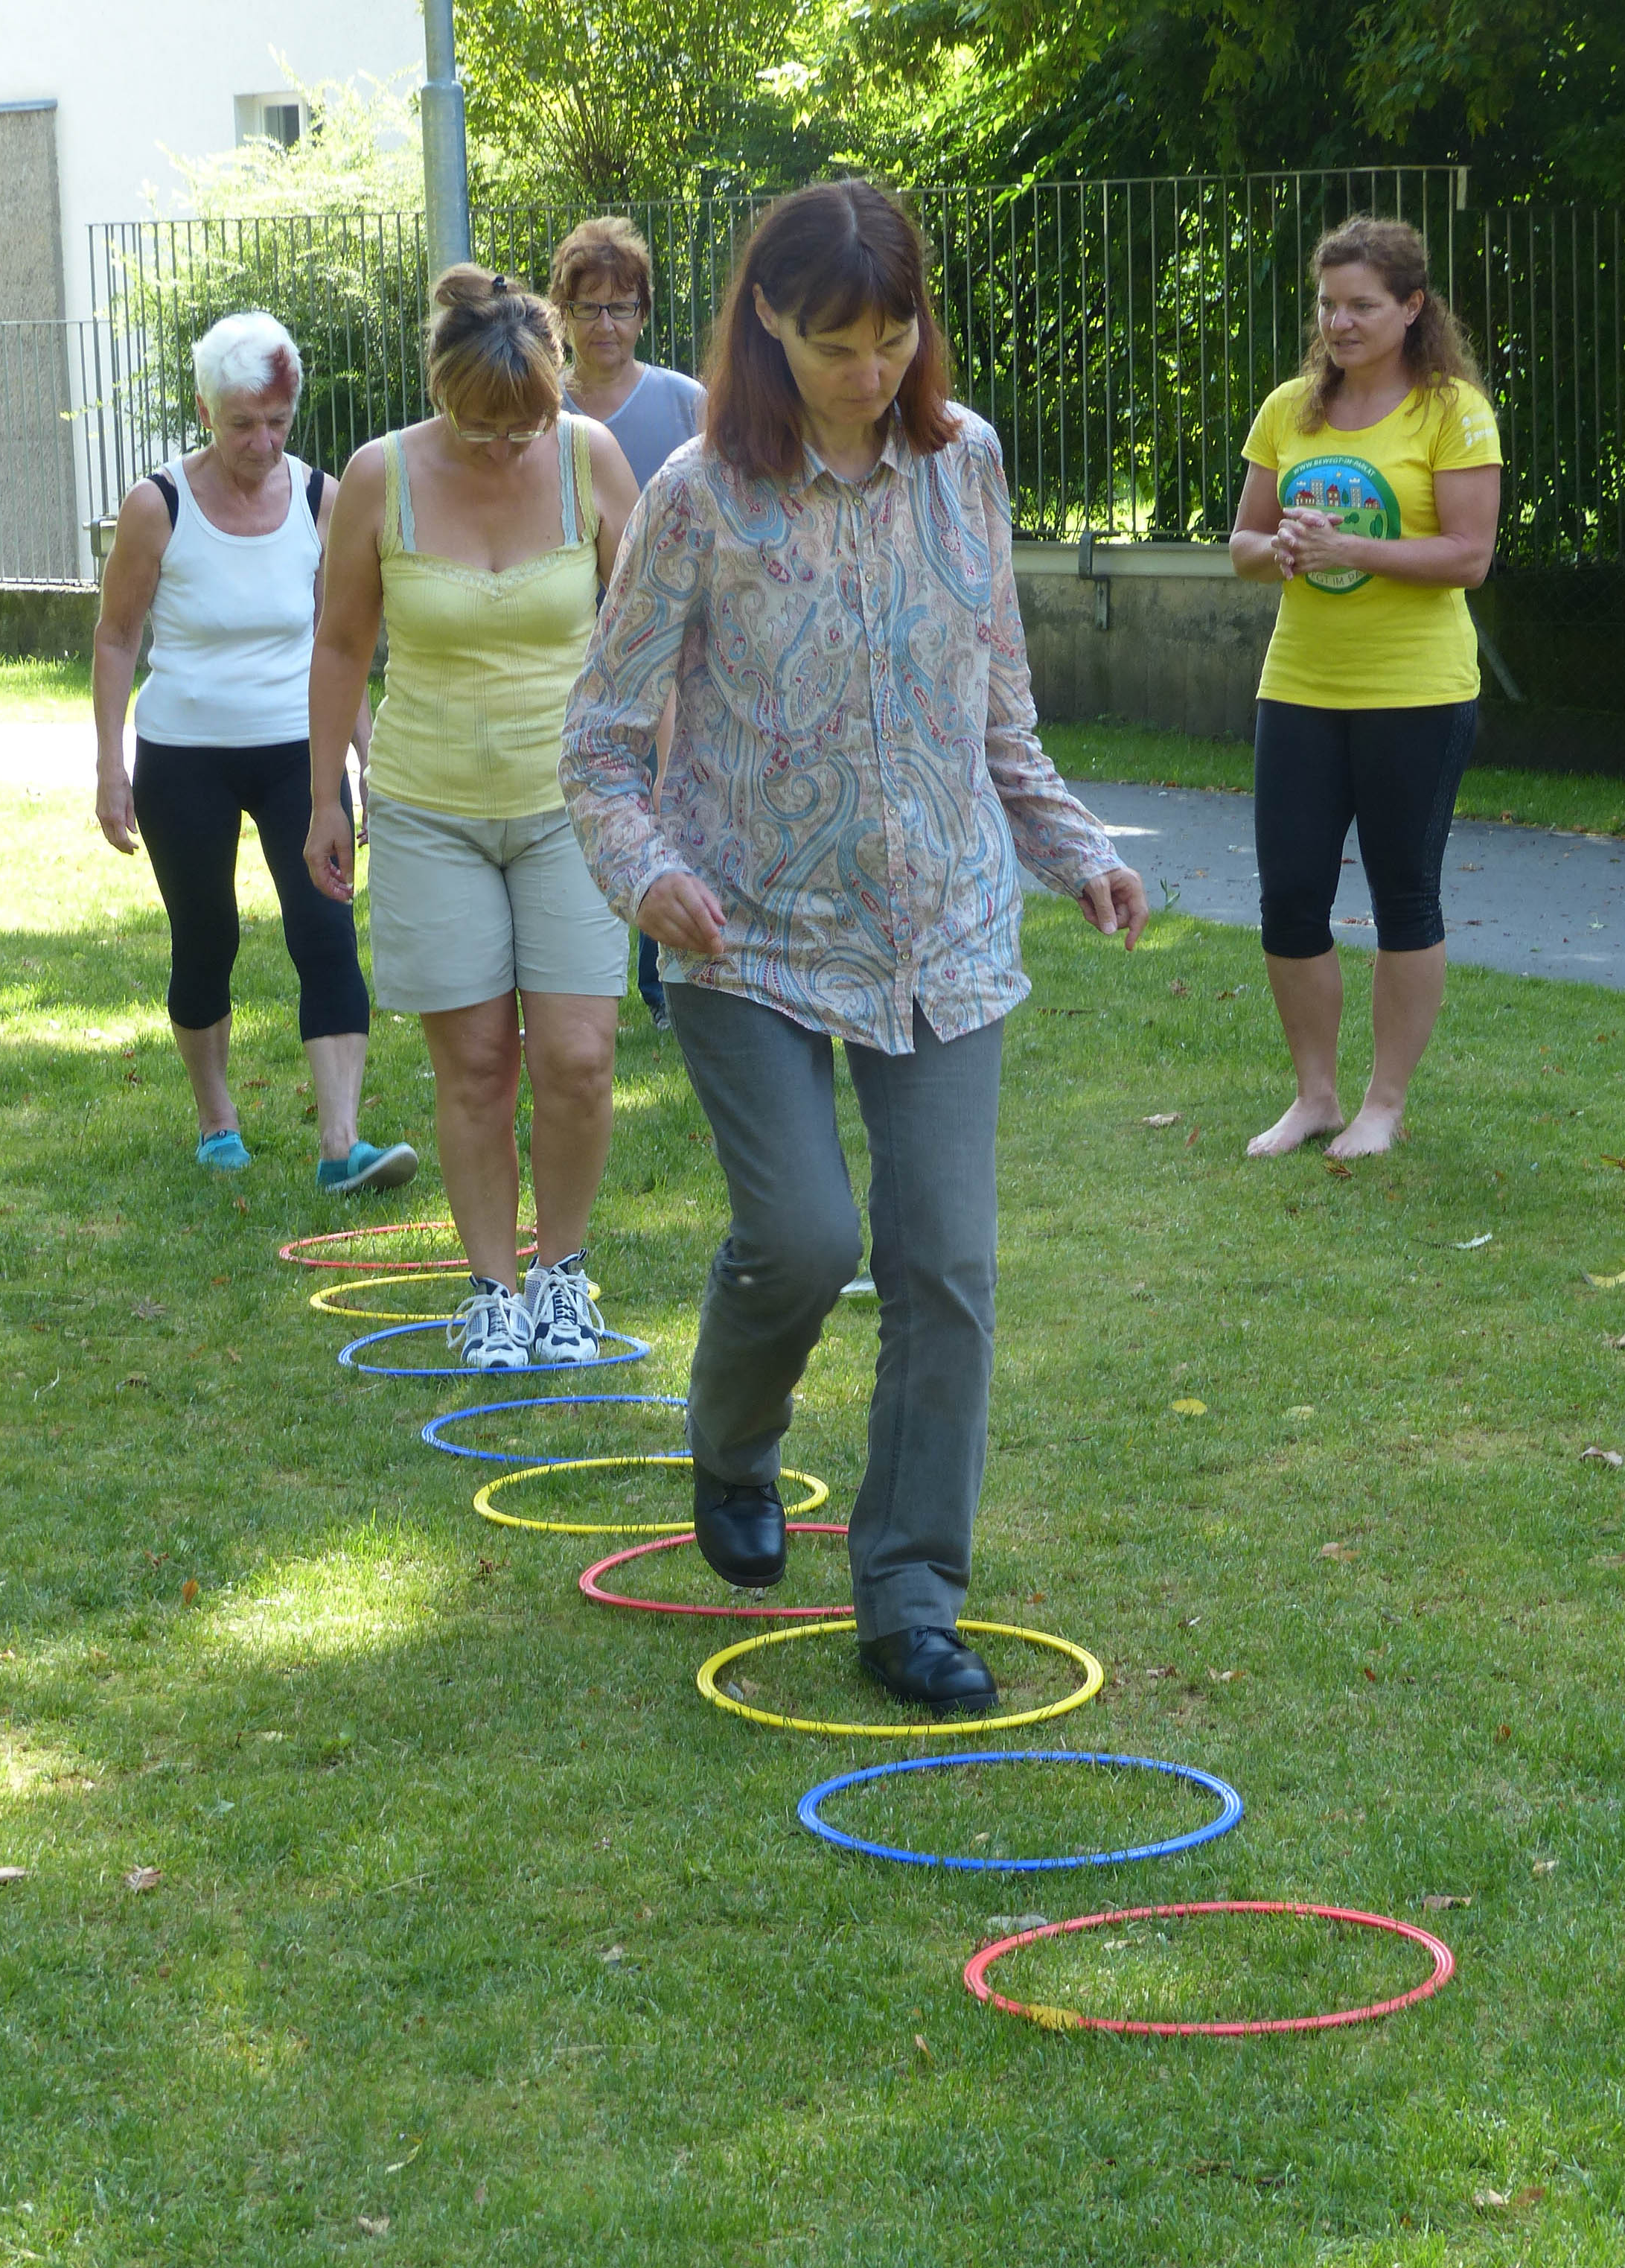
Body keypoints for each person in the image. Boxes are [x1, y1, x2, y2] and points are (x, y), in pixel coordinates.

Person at [561, 180, 1148, 1716]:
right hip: (740, 930)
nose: (870, 368)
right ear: (766, 319)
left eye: (894, 335)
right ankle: (733, 1441)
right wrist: (646, 876)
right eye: (836, 341)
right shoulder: (696, 493)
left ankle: (905, 1594)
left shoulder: (967, 466)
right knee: (809, 1238)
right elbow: (605, 740)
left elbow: (995, 705)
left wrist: (1073, 849)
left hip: (941, 929)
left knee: (942, 1265)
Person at [306, 267, 640, 1371]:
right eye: (481, 428)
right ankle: (491, 1289)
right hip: (430, 806)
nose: (505, 449)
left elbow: (650, 628)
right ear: (441, 393)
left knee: (580, 1058)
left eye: (525, 427)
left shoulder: (589, 457)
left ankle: (565, 1276)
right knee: (481, 1068)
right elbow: (343, 645)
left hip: (573, 805)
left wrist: (666, 778)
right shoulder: (378, 477)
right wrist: (325, 797)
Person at [93, 310, 418, 1194]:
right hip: (184, 754)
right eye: (242, 424)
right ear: (206, 412)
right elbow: (118, 636)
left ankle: (341, 1143)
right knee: (207, 940)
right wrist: (109, 766)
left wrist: (367, 756)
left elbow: (342, 638)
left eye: (277, 422)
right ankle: (216, 1118)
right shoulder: (156, 505)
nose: (262, 442)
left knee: (325, 934)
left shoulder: (324, 499)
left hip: (295, 756)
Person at [1230, 215, 1501, 1160]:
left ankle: (1383, 1105)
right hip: (1300, 685)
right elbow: (1243, 548)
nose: (1340, 324)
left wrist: (1352, 549)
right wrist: (1282, 550)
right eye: (1328, 305)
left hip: (1416, 693)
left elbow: (1468, 556)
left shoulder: (1451, 410)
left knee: (1403, 897)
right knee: (1290, 898)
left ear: (1411, 308)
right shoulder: (1287, 410)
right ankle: (1314, 1098)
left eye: (1362, 306)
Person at [550, 214, 706, 1036]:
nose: (605, 326)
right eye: (588, 309)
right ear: (562, 316)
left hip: (681, 647)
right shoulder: (538, 408)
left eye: (621, 307)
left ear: (644, 312)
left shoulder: (686, 404)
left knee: (672, 791)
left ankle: (665, 983)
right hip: (575, 642)